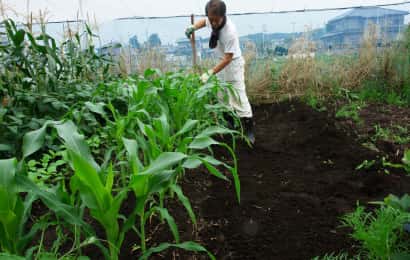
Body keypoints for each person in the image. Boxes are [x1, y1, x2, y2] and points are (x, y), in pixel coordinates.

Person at [185, 0, 255, 144]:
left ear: (223, 16)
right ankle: (230, 125)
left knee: (239, 98)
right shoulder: (211, 19)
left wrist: (210, 72)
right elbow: (205, 22)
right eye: (212, 19)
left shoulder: (230, 31)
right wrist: (193, 27)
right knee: (222, 97)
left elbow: (228, 58)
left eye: (216, 20)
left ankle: (249, 131)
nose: (213, 23)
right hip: (220, 64)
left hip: (232, 65)